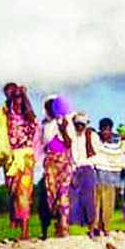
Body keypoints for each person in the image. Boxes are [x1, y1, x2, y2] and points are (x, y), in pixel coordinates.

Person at [3, 83, 38, 240]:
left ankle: (25, 232)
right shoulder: (6, 113)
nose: (14, 99)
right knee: (12, 192)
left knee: (23, 193)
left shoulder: (28, 114)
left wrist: (24, 96)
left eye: (16, 96)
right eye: (11, 95)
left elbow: (31, 116)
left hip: (25, 156)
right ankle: (17, 222)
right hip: (11, 157)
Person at [35, 97, 73, 238]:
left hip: (63, 160)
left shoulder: (64, 122)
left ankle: (63, 225)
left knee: (63, 193)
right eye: (48, 106)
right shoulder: (44, 124)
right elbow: (42, 144)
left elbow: (69, 143)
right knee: (52, 194)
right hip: (50, 161)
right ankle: (57, 223)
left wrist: (63, 130)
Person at [91, 117, 125, 236]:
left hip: (112, 177)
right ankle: (94, 228)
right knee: (96, 204)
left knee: (108, 204)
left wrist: (124, 137)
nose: (105, 132)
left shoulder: (117, 142)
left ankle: (105, 228)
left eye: (107, 129)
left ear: (111, 129)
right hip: (98, 176)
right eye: (103, 129)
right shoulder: (96, 139)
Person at [67, 113, 99, 237]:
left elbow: (93, 153)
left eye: (82, 124)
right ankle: (74, 229)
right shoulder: (70, 135)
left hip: (88, 168)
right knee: (73, 199)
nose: (80, 127)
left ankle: (91, 227)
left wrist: (88, 138)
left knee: (89, 200)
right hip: (73, 169)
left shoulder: (92, 136)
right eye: (77, 124)